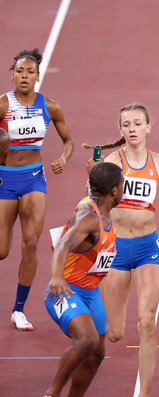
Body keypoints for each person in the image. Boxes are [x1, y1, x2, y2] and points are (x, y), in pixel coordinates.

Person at [85, 103, 159, 397]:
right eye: (127, 125)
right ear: (120, 130)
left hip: (148, 248)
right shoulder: (113, 161)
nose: (133, 129)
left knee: (147, 322)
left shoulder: (158, 161)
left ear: (149, 127)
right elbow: (92, 203)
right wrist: (92, 178)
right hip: (117, 250)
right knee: (114, 333)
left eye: (138, 123)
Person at [0, 48, 74, 331]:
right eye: (20, 71)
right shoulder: (3, 105)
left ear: (38, 76)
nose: (24, 76)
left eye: (30, 72)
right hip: (4, 180)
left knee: (31, 244)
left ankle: (18, 310)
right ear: (13, 74)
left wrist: (63, 159)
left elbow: (68, 139)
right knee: (3, 250)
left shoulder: (50, 106)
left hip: (33, 179)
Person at [38, 162, 123, 397]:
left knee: (97, 353)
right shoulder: (88, 216)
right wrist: (56, 276)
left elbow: (94, 187)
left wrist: (95, 171)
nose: (123, 189)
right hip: (65, 290)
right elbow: (63, 243)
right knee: (87, 340)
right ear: (114, 191)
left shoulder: (102, 205)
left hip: (90, 293)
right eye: (121, 185)